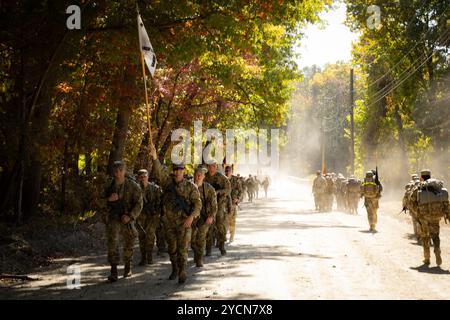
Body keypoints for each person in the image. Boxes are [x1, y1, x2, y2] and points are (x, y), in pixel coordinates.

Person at [149, 144, 201, 284]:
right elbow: (159, 172)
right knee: (172, 248)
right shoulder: (168, 183)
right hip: (169, 223)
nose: (178, 172)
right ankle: (175, 268)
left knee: (182, 248)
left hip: (184, 223)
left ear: (184, 171)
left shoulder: (191, 187)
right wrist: (154, 156)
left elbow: (197, 204)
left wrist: (191, 217)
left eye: (180, 170)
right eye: (176, 170)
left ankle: (182, 270)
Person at [101, 161, 143, 282]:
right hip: (113, 219)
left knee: (129, 242)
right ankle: (113, 270)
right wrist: (108, 200)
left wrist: (130, 216)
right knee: (112, 243)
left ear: (124, 171)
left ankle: (128, 267)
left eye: (120, 170)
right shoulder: (108, 186)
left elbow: (139, 203)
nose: (118, 173)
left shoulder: (133, 186)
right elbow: (97, 201)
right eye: (116, 171)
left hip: (127, 218)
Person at [410, 169, 449, 266]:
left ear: (421, 177)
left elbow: (411, 202)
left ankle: (427, 259)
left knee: (425, 237)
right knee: (435, 235)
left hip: (424, 217)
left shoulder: (419, 187)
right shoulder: (438, 187)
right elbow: (446, 203)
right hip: (436, 217)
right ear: (430, 176)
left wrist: (417, 212)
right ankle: (437, 250)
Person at [191, 166, 217, 267]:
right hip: (192, 218)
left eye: (200, 175)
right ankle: (196, 253)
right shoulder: (190, 187)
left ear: (204, 176)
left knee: (201, 238)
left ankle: (199, 258)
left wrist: (211, 216)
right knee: (192, 239)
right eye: (197, 174)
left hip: (204, 217)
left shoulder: (209, 189)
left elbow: (214, 205)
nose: (198, 176)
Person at [205, 160, 231, 255]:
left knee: (220, 226)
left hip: (220, 204)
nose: (212, 167)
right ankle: (208, 248)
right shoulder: (205, 177)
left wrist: (219, 191)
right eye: (210, 166)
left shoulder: (222, 178)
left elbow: (228, 190)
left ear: (216, 166)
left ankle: (221, 246)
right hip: (208, 205)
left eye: (213, 166)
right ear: (207, 167)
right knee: (208, 226)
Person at [136, 169, 162, 266]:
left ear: (148, 177)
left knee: (150, 235)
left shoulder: (155, 188)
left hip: (152, 216)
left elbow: (160, 201)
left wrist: (157, 213)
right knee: (142, 236)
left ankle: (149, 256)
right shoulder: (137, 189)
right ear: (139, 178)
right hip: (141, 216)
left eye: (145, 176)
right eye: (141, 177)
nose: (143, 179)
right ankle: (143, 257)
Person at [225, 165, 242, 243]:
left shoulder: (236, 180)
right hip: (223, 204)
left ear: (231, 171)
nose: (228, 172)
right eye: (226, 170)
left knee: (232, 220)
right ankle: (223, 236)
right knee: (224, 221)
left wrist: (237, 198)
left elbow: (240, 191)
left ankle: (231, 236)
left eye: (229, 170)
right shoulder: (222, 179)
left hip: (233, 203)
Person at [403, 174, 421, 242]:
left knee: (415, 220)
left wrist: (406, 206)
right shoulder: (423, 185)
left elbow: (407, 196)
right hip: (423, 207)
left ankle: (417, 233)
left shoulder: (410, 185)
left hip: (414, 208)